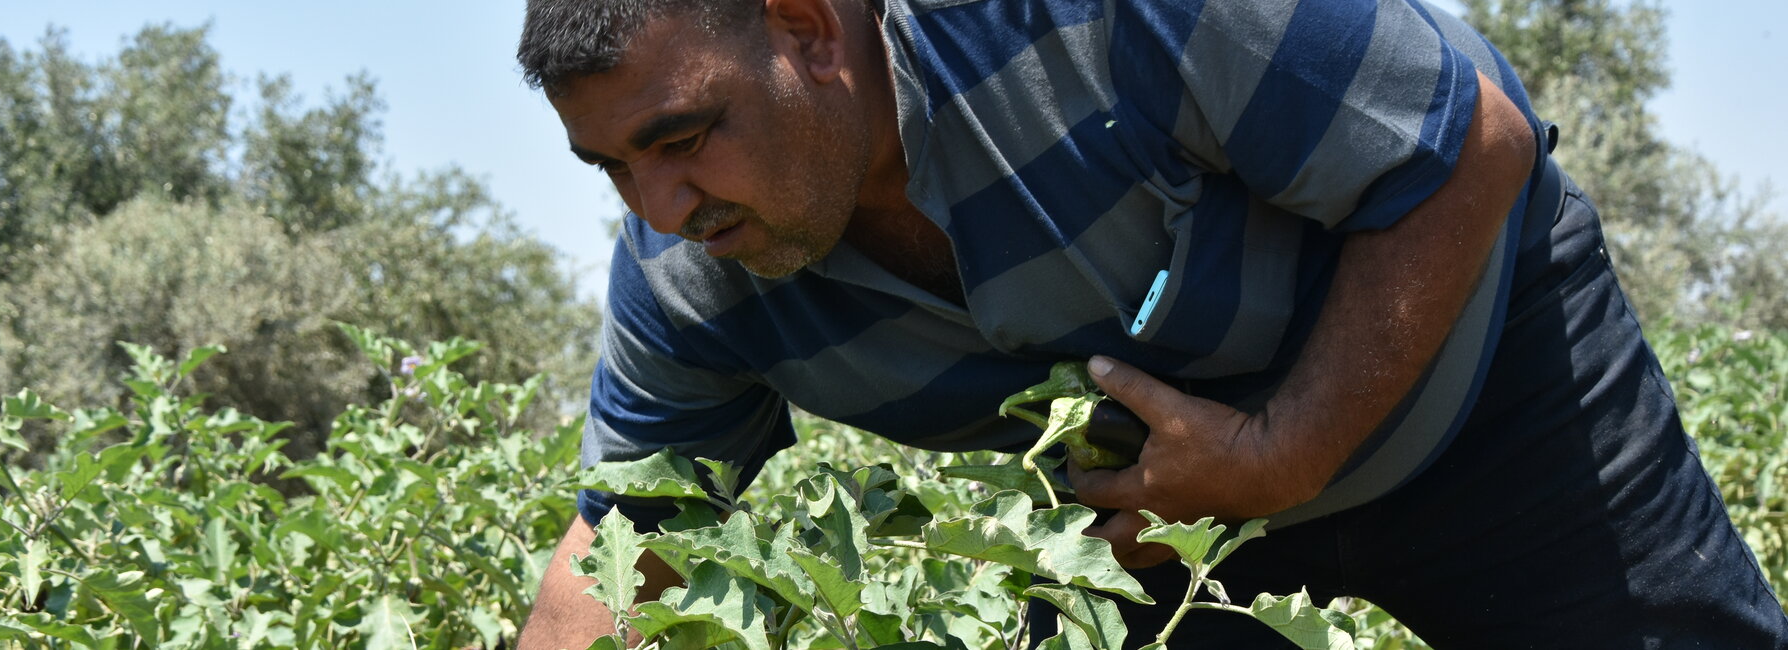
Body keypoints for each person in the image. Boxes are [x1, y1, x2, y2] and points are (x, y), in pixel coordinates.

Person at [512, 0, 1788, 647]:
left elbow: (1471, 146)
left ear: (801, 24)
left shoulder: (1089, 16)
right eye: (612, 166)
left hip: (1479, 382)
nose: (660, 206)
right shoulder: (692, 274)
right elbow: (623, 538)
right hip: (1149, 529)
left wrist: (1282, 451)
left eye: (680, 139)